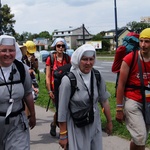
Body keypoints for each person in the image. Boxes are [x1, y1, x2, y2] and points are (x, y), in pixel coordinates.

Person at [58, 44, 113, 150]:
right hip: (77, 126)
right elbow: (62, 110)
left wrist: (109, 121)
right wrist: (63, 134)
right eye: (84, 59)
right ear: (78, 60)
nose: (88, 63)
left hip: (94, 123)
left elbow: (104, 100)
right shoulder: (68, 80)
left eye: (91, 59)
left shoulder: (97, 75)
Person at [116, 28, 150, 150]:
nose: (143, 45)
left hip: (148, 102)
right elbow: (121, 84)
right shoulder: (130, 58)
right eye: (141, 41)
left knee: (140, 137)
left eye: (147, 41)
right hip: (132, 100)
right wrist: (119, 108)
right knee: (140, 136)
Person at [0, 35, 36, 149]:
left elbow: (28, 93)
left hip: (17, 123)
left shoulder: (21, 69)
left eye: (11, 50)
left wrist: (33, 115)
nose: (8, 54)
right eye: (3, 50)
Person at [46, 38, 71, 136]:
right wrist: (49, 91)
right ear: (55, 47)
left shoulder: (68, 58)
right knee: (60, 109)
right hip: (54, 88)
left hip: (66, 88)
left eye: (62, 46)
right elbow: (48, 76)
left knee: (65, 109)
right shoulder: (51, 58)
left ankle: (54, 124)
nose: (61, 48)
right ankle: (63, 132)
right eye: (58, 46)